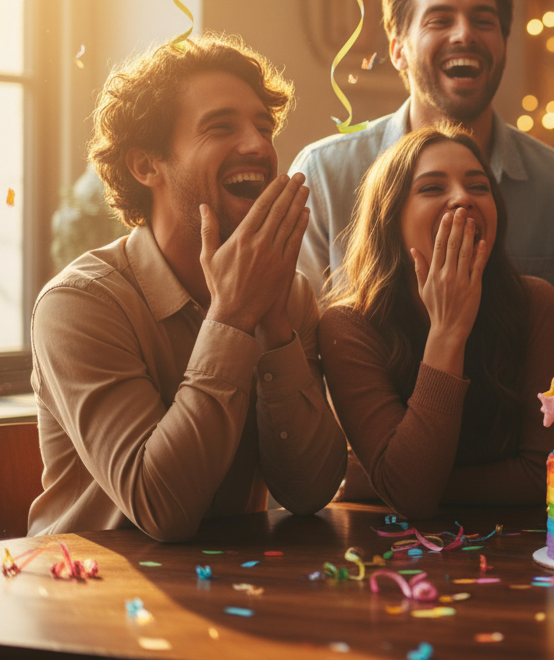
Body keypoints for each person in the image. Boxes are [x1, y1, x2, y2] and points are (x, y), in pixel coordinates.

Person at [28, 34, 347, 541]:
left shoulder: (288, 294)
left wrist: (273, 322)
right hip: (90, 601)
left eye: (263, 127)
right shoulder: (78, 305)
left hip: (233, 594)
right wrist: (234, 318)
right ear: (145, 165)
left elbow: (309, 491)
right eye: (221, 127)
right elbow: (162, 507)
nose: (258, 145)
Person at [290, 0, 554, 301]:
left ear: (504, 45)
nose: (464, 34)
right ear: (398, 50)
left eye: (483, 20)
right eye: (440, 20)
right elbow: (298, 335)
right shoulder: (324, 176)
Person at [319, 124, 554, 517]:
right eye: (432, 188)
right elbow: (411, 497)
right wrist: (447, 332)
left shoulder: (534, 303)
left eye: (479, 186)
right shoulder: (349, 325)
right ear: (391, 218)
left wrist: (377, 481)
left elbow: (547, 476)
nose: (462, 199)